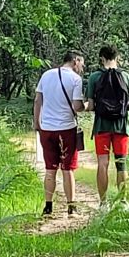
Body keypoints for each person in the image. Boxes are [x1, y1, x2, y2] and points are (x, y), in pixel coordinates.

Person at [33, 49, 85, 216]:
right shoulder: (76, 79)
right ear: (75, 61)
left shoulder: (46, 75)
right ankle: (71, 206)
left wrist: (37, 123)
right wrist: (88, 106)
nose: (82, 68)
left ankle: (48, 206)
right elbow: (77, 106)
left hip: (47, 129)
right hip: (66, 128)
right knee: (67, 168)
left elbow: (38, 100)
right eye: (81, 64)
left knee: (50, 169)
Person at [85, 45, 129, 210]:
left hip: (101, 126)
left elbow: (91, 105)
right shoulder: (127, 77)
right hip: (121, 127)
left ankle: (103, 203)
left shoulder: (94, 77)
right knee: (121, 163)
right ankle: (123, 202)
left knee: (103, 163)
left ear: (102, 58)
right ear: (118, 57)